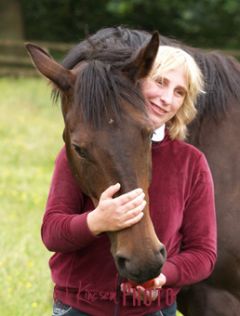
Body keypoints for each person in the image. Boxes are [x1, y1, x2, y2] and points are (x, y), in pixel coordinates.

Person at [41, 27, 217, 316]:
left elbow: (204, 253)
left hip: (154, 310)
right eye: (160, 82)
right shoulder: (86, 149)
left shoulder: (190, 163)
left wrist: (164, 276)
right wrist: (96, 221)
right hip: (80, 308)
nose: (166, 98)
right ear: (138, 80)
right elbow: (52, 233)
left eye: (179, 92)